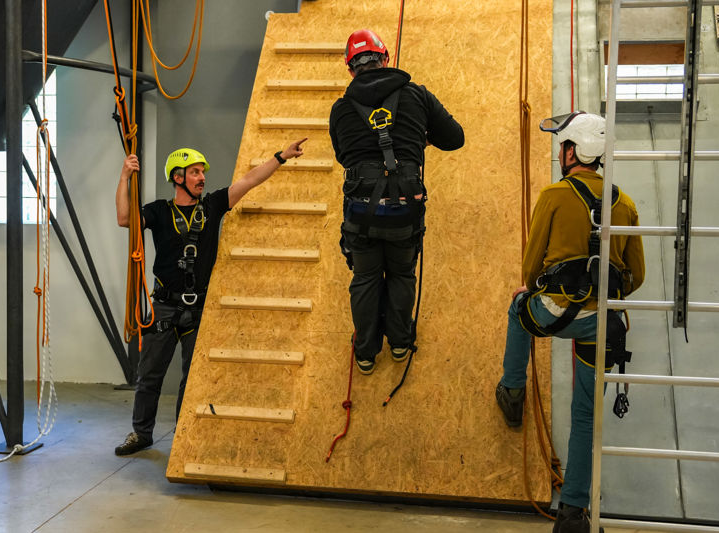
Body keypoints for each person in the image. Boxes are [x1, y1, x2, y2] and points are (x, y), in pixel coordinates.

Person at [494, 111, 645, 532]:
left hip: (555, 312)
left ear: (574, 150)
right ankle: (574, 513)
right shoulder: (626, 204)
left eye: (563, 145)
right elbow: (636, 276)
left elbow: (530, 269)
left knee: (519, 309)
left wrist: (541, 287)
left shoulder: (555, 196)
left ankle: (511, 393)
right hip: (603, 323)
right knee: (584, 414)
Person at [113, 138, 306, 455]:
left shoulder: (213, 205)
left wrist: (280, 157)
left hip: (198, 306)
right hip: (163, 305)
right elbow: (124, 219)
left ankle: (182, 435)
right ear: (178, 177)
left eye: (202, 172)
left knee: (191, 379)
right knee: (149, 376)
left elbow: (249, 180)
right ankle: (141, 433)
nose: (202, 177)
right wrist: (124, 177)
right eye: (194, 172)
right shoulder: (159, 211)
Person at [329, 29, 464, 375]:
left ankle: (365, 353)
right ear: (385, 59)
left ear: (351, 70)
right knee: (402, 273)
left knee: (365, 277)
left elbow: (345, 157)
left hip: (361, 213)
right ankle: (401, 344)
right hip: (405, 210)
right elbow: (455, 139)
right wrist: (416, 139)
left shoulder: (341, 110)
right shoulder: (416, 96)